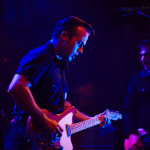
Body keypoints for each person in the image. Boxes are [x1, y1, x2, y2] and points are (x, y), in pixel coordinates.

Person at [5, 16, 110, 150]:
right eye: (79, 43)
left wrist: (92, 120)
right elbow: (16, 87)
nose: (81, 50)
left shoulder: (62, 63)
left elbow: (61, 104)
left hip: (46, 140)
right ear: (64, 35)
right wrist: (43, 119)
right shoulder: (40, 57)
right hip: (26, 137)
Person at [123, 40, 150, 150]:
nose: (143, 59)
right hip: (143, 137)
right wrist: (131, 134)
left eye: (147, 55)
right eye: (142, 55)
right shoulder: (136, 80)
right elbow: (127, 110)